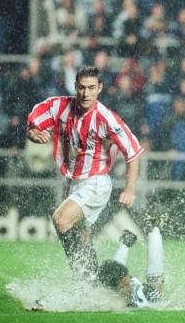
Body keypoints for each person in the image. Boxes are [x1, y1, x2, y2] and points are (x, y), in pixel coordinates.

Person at [26, 66, 164, 306]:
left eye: (91, 88)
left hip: (97, 182)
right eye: (81, 87)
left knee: (60, 219)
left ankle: (84, 283)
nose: (85, 93)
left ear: (99, 89)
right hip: (72, 182)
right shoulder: (60, 106)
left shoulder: (106, 118)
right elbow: (34, 123)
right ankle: (95, 286)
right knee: (82, 238)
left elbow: (133, 153)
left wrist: (130, 189)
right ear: (75, 87)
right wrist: (34, 134)